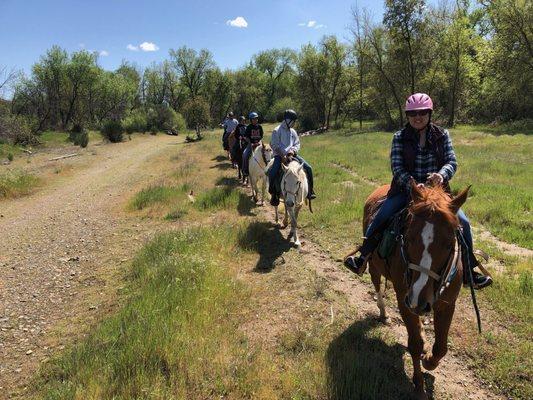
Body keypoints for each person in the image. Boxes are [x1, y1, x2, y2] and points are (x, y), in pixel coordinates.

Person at [344, 93, 492, 290]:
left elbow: (451, 161)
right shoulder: (399, 137)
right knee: (382, 215)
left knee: (463, 222)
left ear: (429, 114)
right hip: (407, 191)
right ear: (407, 116)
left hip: (437, 194)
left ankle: (470, 271)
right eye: (413, 113)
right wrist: (413, 184)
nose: (417, 117)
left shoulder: (442, 135)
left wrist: (441, 175)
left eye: (422, 112)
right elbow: (397, 169)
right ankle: (363, 256)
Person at [268, 109, 316, 206]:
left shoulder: (293, 131)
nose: (294, 123)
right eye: (293, 121)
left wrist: (292, 151)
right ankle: (274, 195)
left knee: (308, 168)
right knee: (272, 173)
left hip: (292, 155)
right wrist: (283, 156)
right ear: (287, 120)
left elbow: (297, 143)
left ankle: (310, 192)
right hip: (279, 156)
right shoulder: (276, 131)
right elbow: (274, 145)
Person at [242, 112, 264, 177]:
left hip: (258, 144)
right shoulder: (249, 127)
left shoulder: (259, 127)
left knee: (267, 153)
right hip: (251, 144)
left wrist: (259, 142)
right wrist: (251, 143)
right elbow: (246, 137)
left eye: (256, 119)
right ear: (251, 120)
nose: (255, 120)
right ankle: (245, 170)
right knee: (245, 154)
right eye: (254, 119)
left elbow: (261, 136)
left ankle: (266, 168)